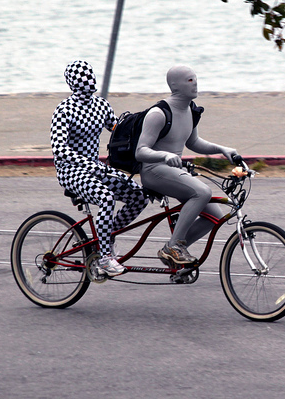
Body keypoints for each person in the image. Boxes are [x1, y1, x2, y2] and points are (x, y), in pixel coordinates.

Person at [50, 60, 149, 277]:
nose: (87, 81)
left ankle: (107, 234)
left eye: (89, 75)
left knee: (140, 196)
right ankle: (105, 258)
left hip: (96, 168)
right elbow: (59, 149)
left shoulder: (101, 105)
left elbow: (119, 132)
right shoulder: (64, 109)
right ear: (72, 82)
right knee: (106, 198)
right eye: (81, 77)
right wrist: (88, 164)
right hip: (70, 171)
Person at [135, 65, 239, 266]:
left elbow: (194, 143)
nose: (196, 83)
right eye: (190, 80)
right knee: (202, 192)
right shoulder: (158, 113)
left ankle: (173, 253)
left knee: (215, 216)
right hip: (153, 171)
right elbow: (141, 151)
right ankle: (175, 246)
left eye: (196, 79)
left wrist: (222, 149)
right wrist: (164, 156)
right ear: (175, 85)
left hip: (175, 171)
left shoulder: (190, 110)